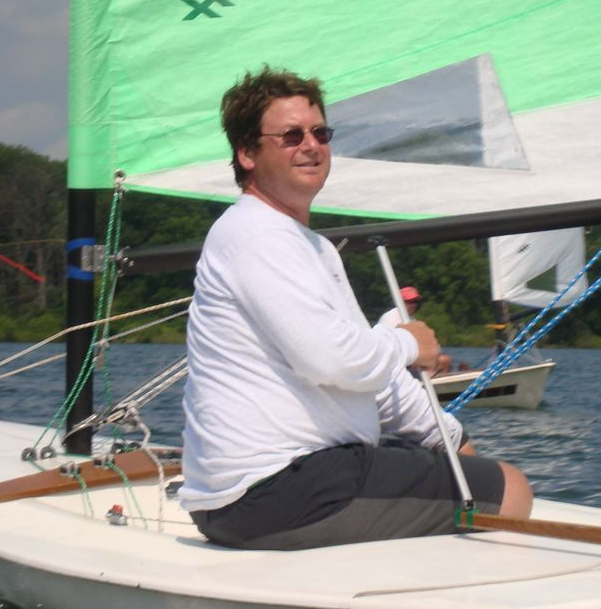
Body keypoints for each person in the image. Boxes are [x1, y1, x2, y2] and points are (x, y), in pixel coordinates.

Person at [180, 66, 532, 550]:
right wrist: (407, 344)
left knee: (468, 475)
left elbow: (367, 374)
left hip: (275, 491)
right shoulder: (255, 233)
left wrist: (448, 436)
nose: (311, 145)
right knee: (511, 489)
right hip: (278, 490)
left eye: (320, 133)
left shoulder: (311, 247)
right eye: (291, 136)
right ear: (247, 153)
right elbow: (332, 360)